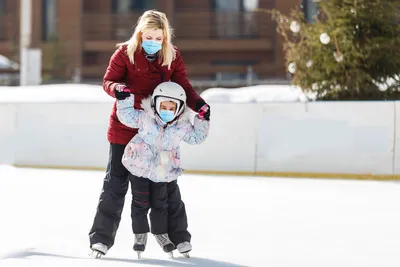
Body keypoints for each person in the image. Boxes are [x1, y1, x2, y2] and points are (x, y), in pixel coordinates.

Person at [88, 9, 211, 258]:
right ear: (140, 33)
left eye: (158, 37)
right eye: (149, 36)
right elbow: (108, 80)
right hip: (125, 128)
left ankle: (179, 239)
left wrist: (199, 105)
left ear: (165, 37)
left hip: (158, 132)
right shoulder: (124, 52)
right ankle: (100, 240)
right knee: (115, 184)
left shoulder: (172, 56)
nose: (153, 42)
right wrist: (118, 89)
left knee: (167, 186)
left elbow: (183, 87)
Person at [115, 81, 210, 258]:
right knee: (140, 204)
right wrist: (124, 99)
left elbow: (197, 137)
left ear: (180, 108)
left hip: (163, 171)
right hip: (139, 168)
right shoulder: (145, 118)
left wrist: (203, 119)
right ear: (155, 104)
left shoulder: (182, 127)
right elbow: (127, 116)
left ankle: (161, 234)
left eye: (171, 107)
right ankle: (140, 235)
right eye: (163, 106)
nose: (167, 110)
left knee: (161, 205)